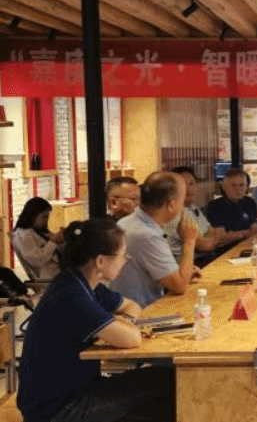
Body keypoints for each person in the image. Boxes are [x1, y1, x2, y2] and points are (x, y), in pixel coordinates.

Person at [17, 218, 174, 422]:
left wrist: (121, 321)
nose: (126, 260)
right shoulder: (73, 296)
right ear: (101, 261)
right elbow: (132, 339)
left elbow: (132, 306)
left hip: (74, 392)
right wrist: (119, 325)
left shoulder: (83, 284)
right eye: (122, 255)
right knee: (166, 380)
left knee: (160, 391)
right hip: (59, 409)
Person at [110, 172, 200, 307]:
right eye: (183, 198)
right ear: (171, 205)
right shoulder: (147, 234)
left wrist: (181, 273)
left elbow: (165, 275)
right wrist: (189, 241)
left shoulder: (128, 222)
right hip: (142, 311)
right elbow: (180, 286)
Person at [163, 166, 224, 263]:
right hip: (190, 264)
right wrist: (217, 237)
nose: (188, 189)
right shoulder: (175, 213)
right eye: (183, 185)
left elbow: (211, 232)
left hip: (205, 259)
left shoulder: (192, 207)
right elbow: (207, 246)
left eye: (191, 183)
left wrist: (213, 238)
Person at [12, 197, 63, 281]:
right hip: (50, 277)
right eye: (44, 217)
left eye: (47, 217)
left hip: (59, 271)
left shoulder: (39, 230)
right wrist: (54, 241)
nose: (46, 220)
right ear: (32, 215)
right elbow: (37, 259)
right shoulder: (23, 235)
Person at [206, 168, 257, 243]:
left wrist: (235, 234)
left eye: (241, 185)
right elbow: (221, 237)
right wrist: (245, 234)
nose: (238, 189)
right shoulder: (214, 206)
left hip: (249, 243)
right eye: (233, 185)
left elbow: (255, 229)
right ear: (224, 186)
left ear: (246, 187)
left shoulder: (250, 202)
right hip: (227, 247)